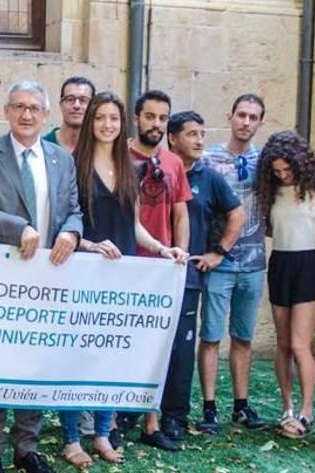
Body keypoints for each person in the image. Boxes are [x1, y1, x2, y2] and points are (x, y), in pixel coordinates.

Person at [0, 79, 83, 473]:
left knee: (35, 365)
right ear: (7, 111)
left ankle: (26, 448)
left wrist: (71, 234)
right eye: (19, 107)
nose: (27, 115)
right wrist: (18, 227)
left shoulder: (61, 159)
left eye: (34, 108)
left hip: (46, 279)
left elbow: (74, 211)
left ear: (46, 115)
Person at [65, 91, 187, 467]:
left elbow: (133, 226)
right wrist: (89, 245)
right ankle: (72, 439)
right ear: (91, 123)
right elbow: (63, 224)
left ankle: (103, 433)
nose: (107, 125)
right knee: (77, 359)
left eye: (113, 119)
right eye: (100, 117)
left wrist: (163, 248)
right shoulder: (72, 166)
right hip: (84, 271)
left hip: (122, 275)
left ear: (122, 124)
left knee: (112, 357)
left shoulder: (130, 170)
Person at [164, 111, 245, 438]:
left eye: (202, 133)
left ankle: (175, 416)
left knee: (182, 349)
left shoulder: (209, 177)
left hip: (188, 277)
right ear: (172, 138)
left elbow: (237, 215)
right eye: (192, 134)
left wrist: (218, 253)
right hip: (147, 275)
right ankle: (133, 413)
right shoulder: (157, 171)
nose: (200, 141)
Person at [197, 94, 269, 434]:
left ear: (260, 122)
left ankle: (241, 405)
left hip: (254, 261)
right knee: (211, 335)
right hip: (219, 262)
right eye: (241, 115)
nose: (246, 122)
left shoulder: (266, 161)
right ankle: (209, 406)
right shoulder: (209, 158)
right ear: (230, 116)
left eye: (253, 117)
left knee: (243, 336)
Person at [123, 89, 189, 451]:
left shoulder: (174, 162)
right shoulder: (120, 157)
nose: (157, 124)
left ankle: (151, 422)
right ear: (137, 118)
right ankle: (112, 419)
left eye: (163, 118)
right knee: (120, 344)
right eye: (150, 117)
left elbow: (180, 212)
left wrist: (180, 254)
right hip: (127, 263)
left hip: (163, 269)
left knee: (158, 347)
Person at [254, 131, 315, 439]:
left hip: (310, 263)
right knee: (283, 344)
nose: (283, 175)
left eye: (288, 170)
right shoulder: (270, 190)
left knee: (300, 344)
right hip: (281, 263)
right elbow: (272, 228)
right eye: (277, 171)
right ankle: (286, 408)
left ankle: (306, 411)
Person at [44, 76, 95, 152]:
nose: (76, 105)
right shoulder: (43, 146)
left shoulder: (99, 148)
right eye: (70, 99)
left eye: (83, 100)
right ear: (61, 105)